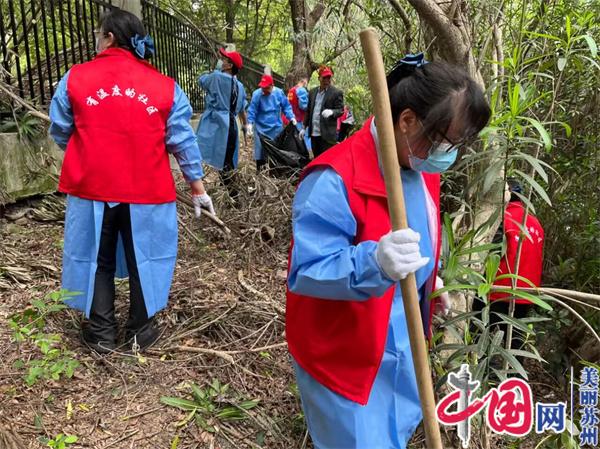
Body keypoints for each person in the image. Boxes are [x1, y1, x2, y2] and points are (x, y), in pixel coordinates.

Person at [286, 53, 490, 448]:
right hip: (346, 356)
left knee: (395, 431)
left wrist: (433, 277)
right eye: (447, 140)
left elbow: (425, 234)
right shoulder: (334, 178)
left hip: (402, 341)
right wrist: (373, 261)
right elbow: (307, 271)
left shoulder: (419, 164)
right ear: (408, 120)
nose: (450, 153)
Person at [48, 9, 215, 354]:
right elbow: (182, 139)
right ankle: (141, 329)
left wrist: (86, 150)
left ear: (109, 37)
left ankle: (101, 333)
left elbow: (60, 128)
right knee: (146, 258)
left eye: (98, 34)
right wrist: (196, 185)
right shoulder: (165, 87)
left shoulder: (75, 78)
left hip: (91, 184)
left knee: (97, 255)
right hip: (147, 189)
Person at [471, 179, 545, 349]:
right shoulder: (536, 223)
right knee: (515, 341)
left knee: (480, 334)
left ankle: (481, 369)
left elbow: (492, 254)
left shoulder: (502, 218)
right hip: (527, 293)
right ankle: (513, 374)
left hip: (498, 289)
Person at [196, 47, 248, 199]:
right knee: (228, 160)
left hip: (220, 126)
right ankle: (231, 191)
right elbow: (242, 108)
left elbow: (202, 81)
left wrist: (211, 71)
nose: (222, 61)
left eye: (224, 60)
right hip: (232, 125)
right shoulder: (240, 86)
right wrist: (245, 125)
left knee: (223, 162)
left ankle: (234, 196)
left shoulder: (216, 77)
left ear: (229, 65)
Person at [246, 74, 296, 171]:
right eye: (262, 88)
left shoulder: (279, 93)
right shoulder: (257, 94)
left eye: (266, 88)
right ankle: (260, 173)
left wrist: (291, 117)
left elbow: (286, 106)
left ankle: (274, 172)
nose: (264, 90)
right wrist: (250, 123)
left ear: (272, 86)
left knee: (274, 151)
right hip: (260, 129)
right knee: (260, 153)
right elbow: (252, 110)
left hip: (275, 128)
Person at [300, 66, 344, 157]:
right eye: (324, 78)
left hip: (327, 135)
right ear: (319, 78)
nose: (327, 80)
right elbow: (308, 111)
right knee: (316, 158)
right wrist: (304, 127)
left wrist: (332, 112)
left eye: (329, 78)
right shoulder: (312, 92)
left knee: (326, 159)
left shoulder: (336, 93)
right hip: (314, 133)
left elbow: (340, 110)